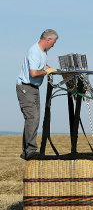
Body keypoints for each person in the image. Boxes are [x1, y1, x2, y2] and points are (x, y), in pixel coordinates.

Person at [16, 29, 58, 160]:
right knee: (32, 118)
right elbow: (34, 72)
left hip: (34, 88)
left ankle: (28, 150)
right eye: (53, 43)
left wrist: (50, 69)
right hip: (26, 88)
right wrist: (46, 72)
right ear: (48, 40)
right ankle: (30, 151)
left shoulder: (43, 52)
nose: (53, 46)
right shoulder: (34, 51)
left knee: (35, 119)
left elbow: (42, 66)